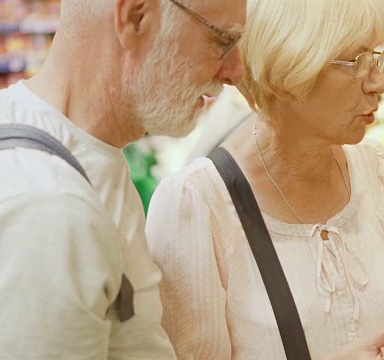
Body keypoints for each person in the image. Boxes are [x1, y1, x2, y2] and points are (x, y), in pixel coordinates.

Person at [145, 0, 384, 359]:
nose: (379, 82)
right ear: (285, 75)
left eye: (379, 58)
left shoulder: (375, 172)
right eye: (357, 62)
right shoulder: (197, 206)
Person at [0, 0, 244, 357]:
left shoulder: (82, 152)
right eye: (222, 40)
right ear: (135, 18)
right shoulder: (49, 211)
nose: (234, 71)